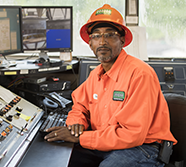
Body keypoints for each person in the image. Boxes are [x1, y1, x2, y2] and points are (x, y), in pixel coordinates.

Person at [44, 4, 177, 167]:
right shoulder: (96, 75)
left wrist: (81, 137)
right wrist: (76, 123)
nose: (102, 41)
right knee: (54, 157)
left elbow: (132, 135)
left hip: (142, 148)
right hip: (104, 142)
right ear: (90, 43)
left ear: (122, 40)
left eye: (110, 35)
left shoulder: (140, 74)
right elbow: (80, 105)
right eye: (96, 36)